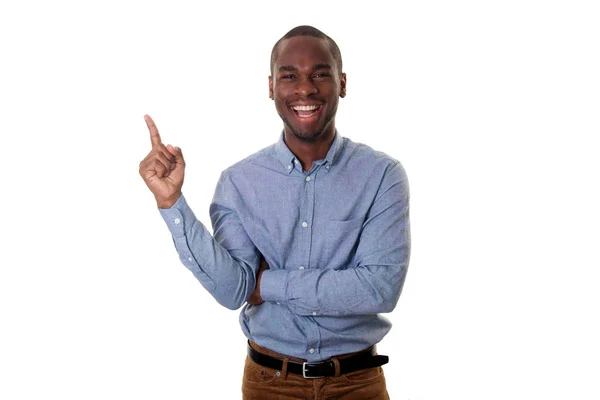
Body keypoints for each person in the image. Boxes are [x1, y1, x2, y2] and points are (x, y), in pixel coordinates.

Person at [139, 25, 410, 400]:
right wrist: (172, 203)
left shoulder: (382, 176)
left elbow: (379, 289)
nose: (305, 89)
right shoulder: (238, 182)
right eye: (289, 76)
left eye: (320, 73)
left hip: (357, 384)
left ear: (342, 83)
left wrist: (267, 284)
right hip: (270, 384)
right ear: (271, 88)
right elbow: (233, 288)